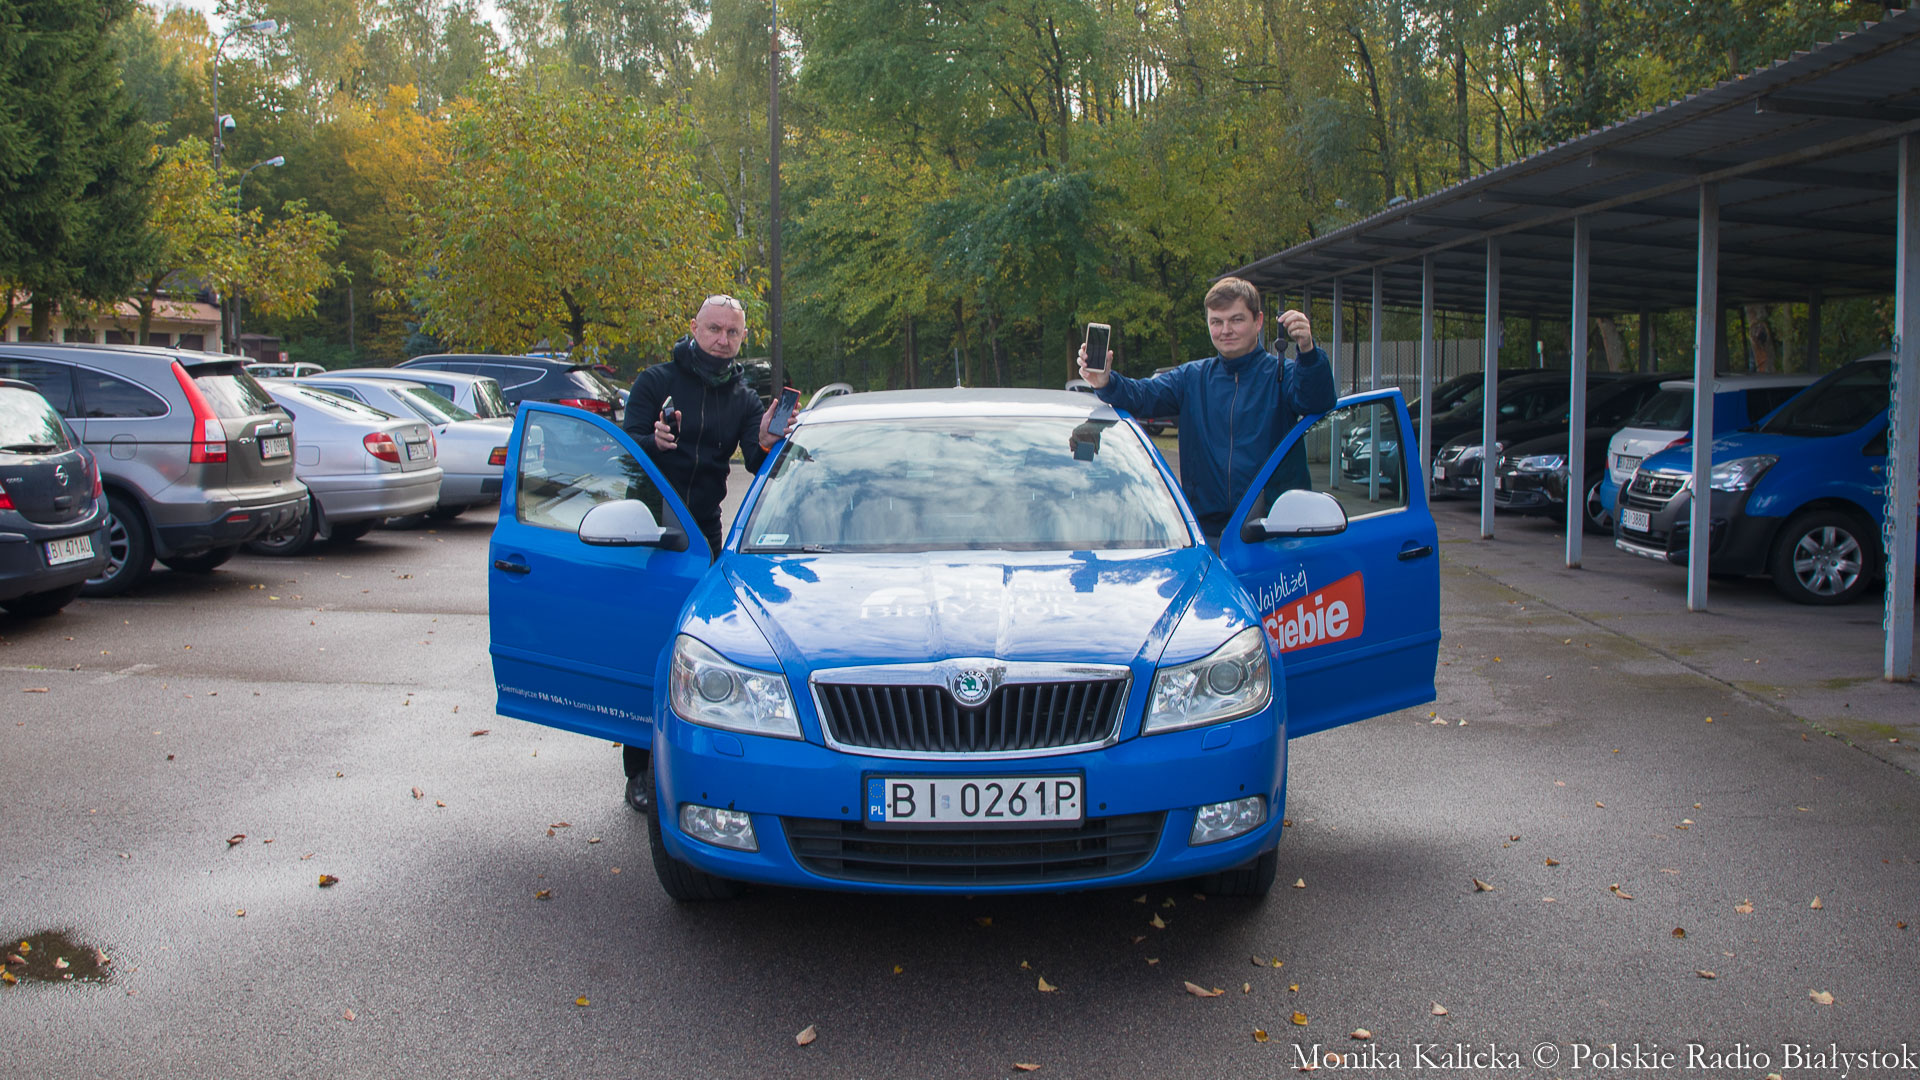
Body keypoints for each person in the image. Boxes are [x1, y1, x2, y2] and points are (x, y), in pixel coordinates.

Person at [618, 293, 795, 813]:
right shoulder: (655, 382)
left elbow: (755, 459)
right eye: (714, 329)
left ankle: (694, 763)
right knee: (647, 650)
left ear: (743, 337)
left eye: (732, 333)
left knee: (691, 654)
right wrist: (651, 440)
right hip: (646, 531)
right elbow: (622, 451)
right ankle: (641, 771)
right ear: (694, 327)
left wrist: (766, 437)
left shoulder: (741, 396)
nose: (722, 339)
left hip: (702, 535)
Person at [1077, 277, 1336, 547]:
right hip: (1204, 535)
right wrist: (1105, 381)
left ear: (1258, 321)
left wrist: (1308, 351)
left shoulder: (1284, 374)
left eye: (1236, 320)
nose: (1226, 330)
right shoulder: (1191, 378)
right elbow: (1142, 396)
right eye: (1216, 322)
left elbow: (1318, 402)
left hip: (1272, 534)